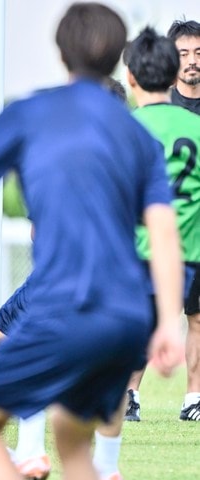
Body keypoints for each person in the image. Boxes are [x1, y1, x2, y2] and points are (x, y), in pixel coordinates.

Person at [0, 3, 184, 480]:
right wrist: (164, 325)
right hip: (126, 314)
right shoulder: (137, 135)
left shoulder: (30, 112)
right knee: (74, 443)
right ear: (121, 59)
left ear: (60, 52)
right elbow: (163, 232)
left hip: (61, 304)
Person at [124, 22, 200, 423]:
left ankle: (192, 398)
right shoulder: (183, 124)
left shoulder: (131, 125)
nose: (192, 62)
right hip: (180, 244)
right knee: (152, 318)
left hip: (150, 242)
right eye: (184, 54)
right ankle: (129, 393)